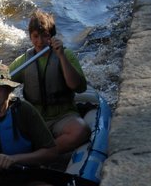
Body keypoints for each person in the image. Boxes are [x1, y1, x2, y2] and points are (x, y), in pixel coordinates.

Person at [8, 9, 90, 156]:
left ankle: (42, 155)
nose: (40, 41)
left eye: (45, 36)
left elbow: (77, 87)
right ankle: (39, 153)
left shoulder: (66, 55)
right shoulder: (24, 61)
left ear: (52, 36)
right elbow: (4, 81)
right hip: (35, 118)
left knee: (81, 131)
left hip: (63, 116)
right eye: (35, 36)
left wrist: (61, 57)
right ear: (30, 37)